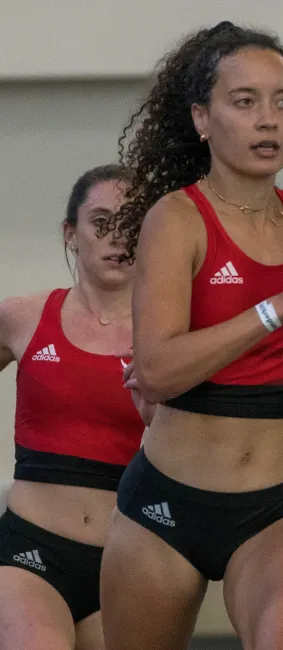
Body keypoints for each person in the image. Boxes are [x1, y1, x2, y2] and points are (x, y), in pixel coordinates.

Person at [100, 22, 283, 650]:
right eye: (245, 101)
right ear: (203, 118)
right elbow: (158, 372)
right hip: (166, 506)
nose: (268, 120)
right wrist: (282, 303)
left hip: (281, 507)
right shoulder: (176, 222)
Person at [0, 165, 153, 650]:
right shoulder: (23, 317)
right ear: (71, 234)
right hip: (31, 553)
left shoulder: (171, 337)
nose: (117, 238)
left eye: (132, 223)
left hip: (126, 564)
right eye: (101, 222)